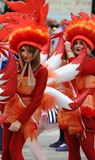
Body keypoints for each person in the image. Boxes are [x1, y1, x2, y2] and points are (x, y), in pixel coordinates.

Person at [0, 24, 50, 160]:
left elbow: (36, 100)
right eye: (22, 51)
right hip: (10, 109)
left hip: (28, 113)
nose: (25, 55)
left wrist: (20, 121)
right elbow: (6, 89)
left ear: (36, 51)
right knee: (5, 152)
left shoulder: (42, 71)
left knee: (14, 149)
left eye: (29, 51)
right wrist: (0, 109)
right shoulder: (14, 65)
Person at [57, 12, 95, 160]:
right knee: (72, 153)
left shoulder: (92, 62)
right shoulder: (68, 63)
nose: (78, 46)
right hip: (69, 111)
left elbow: (78, 68)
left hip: (87, 113)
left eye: (82, 43)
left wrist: (68, 49)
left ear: (89, 47)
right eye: (76, 43)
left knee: (90, 153)